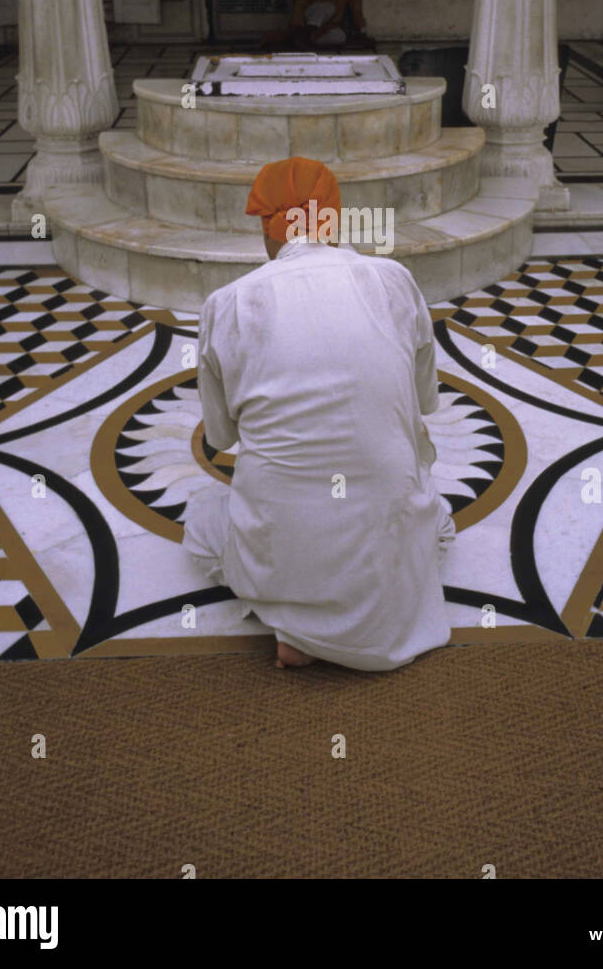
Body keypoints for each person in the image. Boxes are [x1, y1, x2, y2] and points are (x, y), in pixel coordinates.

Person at [182, 156, 455, 672]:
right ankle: (347, 618)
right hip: (385, 532)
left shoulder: (226, 304)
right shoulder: (394, 279)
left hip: (281, 544)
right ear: (334, 217)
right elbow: (423, 403)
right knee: (435, 519)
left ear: (269, 228)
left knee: (201, 517)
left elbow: (219, 436)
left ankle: (294, 626)